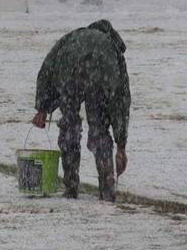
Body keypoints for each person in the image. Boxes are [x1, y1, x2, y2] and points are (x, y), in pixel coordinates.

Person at [31, 19, 130, 202]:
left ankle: (70, 187)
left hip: (70, 76)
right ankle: (107, 186)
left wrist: (42, 109)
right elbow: (120, 101)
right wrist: (121, 145)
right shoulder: (111, 49)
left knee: (69, 128)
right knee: (100, 131)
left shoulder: (73, 38)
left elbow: (47, 69)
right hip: (101, 76)